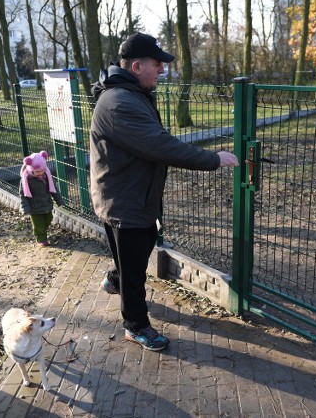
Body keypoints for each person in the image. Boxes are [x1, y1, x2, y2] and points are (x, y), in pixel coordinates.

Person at [89, 32, 238, 351]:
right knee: (134, 269)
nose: (162, 70)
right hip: (124, 202)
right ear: (137, 65)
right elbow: (160, 144)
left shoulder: (130, 93)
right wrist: (213, 159)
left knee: (133, 257)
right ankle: (136, 325)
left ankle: (115, 281)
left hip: (132, 196)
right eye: (157, 64)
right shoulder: (120, 103)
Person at [19, 150, 65, 246]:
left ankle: (41, 232)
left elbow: (54, 189)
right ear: (31, 169)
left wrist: (59, 200)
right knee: (38, 224)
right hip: (34, 207)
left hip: (46, 204)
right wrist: (25, 208)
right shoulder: (26, 179)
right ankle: (41, 239)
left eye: (43, 170)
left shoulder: (46, 176)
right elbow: (23, 195)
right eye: (37, 171)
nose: (41, 173)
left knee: (49, 218)